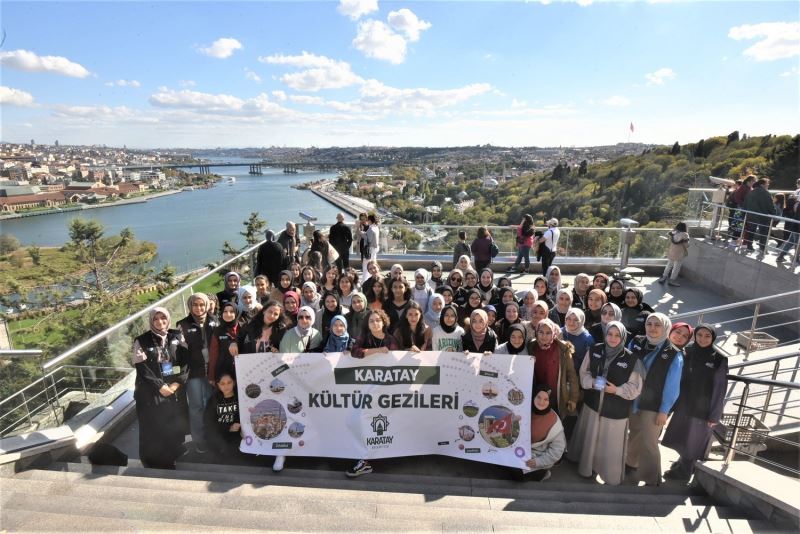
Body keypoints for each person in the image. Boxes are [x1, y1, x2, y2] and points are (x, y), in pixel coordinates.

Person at [567, 321, 644, 486]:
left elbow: (635, 387)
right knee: (589, 439)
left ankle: (609, 475)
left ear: (623, 336)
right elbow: (583, 373)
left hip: (615, 412)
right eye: (610, 334)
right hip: (592, 407)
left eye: (617, 335)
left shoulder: (631, 359)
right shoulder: (595, 350)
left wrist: (616, 390)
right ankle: (586, 469)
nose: (613, 338)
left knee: (610, 446)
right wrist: (592, 382)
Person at [663, 325, 727, 480]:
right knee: (681, 437)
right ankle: (681, 464)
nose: (702, 339)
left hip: (703, 410)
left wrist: (714, 415)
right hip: (684, 404)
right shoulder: (688, 351)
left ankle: (684, 473)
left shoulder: (719, 359)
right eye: (699, 335)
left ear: (713, 338)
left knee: (693, 442)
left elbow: (720, 390)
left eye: (707, 336)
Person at [626, 312, 683, 486]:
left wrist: (664, 411)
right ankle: (630, 466)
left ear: (665, 327)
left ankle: (652, 479)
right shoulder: (636, 342)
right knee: (634, 435)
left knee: (649, 442)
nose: (652, 328)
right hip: (632, 399)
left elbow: (672, 387)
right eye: (649, 324)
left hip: (654, 405)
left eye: (657, 325)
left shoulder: (673, 354)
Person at [132, 307, 190, 469]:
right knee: (153, 427)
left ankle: (173, 452)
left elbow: (186, 363)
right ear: (151, 321)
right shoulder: (141, 340)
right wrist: (160, 386)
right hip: (150, 392)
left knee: (173, 422)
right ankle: (154, 461)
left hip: (173, 388)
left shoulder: (177, 336)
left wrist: (177, 383)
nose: (160, 322)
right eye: (156, 319)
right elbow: (142, 368)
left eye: (163, 318)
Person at [348, 309, 399, 478]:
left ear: (384, 322)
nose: (375, 323)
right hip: (366, 391)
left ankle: (380, 455)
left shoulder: (391, 340)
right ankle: (365, 460)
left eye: (378, 320)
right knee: (362, 418)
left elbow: (397, 362)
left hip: (386, 391)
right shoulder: (365, 337)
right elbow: (355, 352)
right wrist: (376, 351)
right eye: (371, 321)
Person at [176, 293, 218, 453]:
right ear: (190, 306)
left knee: (211, 404)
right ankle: (199, 440)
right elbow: (180, 351)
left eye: (202, 305)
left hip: (213, 371)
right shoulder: (183, 325)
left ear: (207, 305)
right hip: (194, 373)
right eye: (195, 305)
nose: (199, 308)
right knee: (196, 406)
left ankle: (212, 436)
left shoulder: (215, 321)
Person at [513, 384, 566, 482]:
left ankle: (542, 473)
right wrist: (513, 420)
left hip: (538, 456)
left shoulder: (554, 422)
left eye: (546, 399)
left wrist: (537, 462)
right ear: (533, 397)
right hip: (520, 451)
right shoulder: (525, 410)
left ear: (550, 401)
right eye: (538, 397)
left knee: (517, 475)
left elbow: (557, 450)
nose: (541, 402)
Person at [528, 319, 579, 417]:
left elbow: (572, 374)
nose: (544, 336)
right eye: (541, 332)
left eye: (548, 333)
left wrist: (573, 398)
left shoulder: (562, 350)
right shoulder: (531, 347)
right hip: (536, 395)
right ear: (536, 332)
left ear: (554, 333)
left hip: (556, 396)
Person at [203, 370, 242, 459]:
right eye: (222, 383)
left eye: (229, 382)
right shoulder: (213, 400)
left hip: (236, 435)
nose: (226, 386)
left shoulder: (240, 398)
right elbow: (208, 422)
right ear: (218, 385)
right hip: (219, 433)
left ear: (234, 383)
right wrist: (228, 428)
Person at [742, 178, 778, 258]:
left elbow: (745, 204)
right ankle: (762, 248)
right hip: (763, 216)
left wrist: (745, 213)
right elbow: (770, 206)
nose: (768, 185)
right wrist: (774, 214)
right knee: (763, 232)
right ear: (762, 184)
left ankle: (749, 246)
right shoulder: (766, 193)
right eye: (767, 183)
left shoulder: (751, 192)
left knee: (751, 230)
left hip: (751, 215)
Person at [208, 302, 240, 384]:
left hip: (242, 369)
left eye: (232, 311)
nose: (228, 314)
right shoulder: (218, 331)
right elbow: (213, 354)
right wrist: (212, 376)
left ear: (236, 313)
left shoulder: (243, 328)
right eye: (225, 311)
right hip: (223, 371)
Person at [777, 195, 799, 264]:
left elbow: (795, 211)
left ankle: (781, 256)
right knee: (796, 243)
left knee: (791, 241)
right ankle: (796, 259)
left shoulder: (797, 203)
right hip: (798, 226)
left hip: (795, 224)